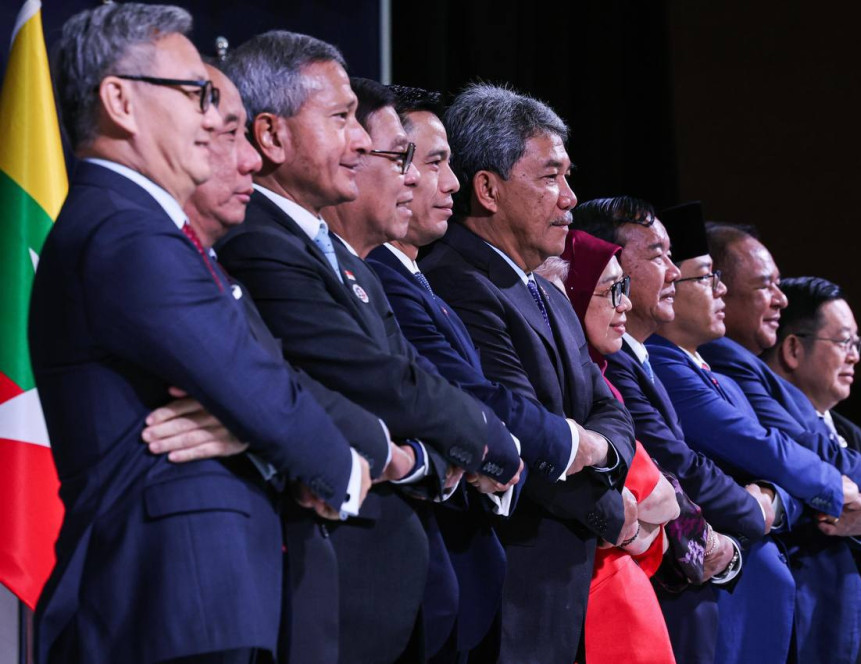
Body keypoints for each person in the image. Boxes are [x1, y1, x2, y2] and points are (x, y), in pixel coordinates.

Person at [30, 6, 361, 663]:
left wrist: (251, 430)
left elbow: (256, 384)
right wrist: (344, 469)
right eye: (195, 94)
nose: (210, 120)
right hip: (166, 603)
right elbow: (254, 386)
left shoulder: (141, 225)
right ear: (120, 101)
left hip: (192, 604)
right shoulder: (124, 231)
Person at [216, 33, 497, 664]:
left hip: (391, 586)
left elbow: (409, 377)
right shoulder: (257, 243)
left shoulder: (350, 264)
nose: (358, 143)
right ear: (272, 135)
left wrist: (422, 455)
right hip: (332, 580)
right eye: (341, 119)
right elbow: (366, 381)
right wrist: (474, 443)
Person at [420, 83, 636, 663]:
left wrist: (600, 451)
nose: (570, 198)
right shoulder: (456, 280)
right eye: (550, 177)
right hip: (505, 590)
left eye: (568, 177)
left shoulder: (547, 288)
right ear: (488, 189)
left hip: (559, 593)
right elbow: (517, 429)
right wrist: (612, 509)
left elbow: (609, 408)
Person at [321, 77, 521, 662]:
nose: (436, 181)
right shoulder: (375, 273)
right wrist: (476, 450)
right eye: (412, 159)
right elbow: (411, 389)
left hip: (435, 579)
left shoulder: (385, 275)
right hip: (372, 580)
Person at [644, 202, 861, 664]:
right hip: (721, 604)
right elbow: (758, 453)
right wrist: (806, 491)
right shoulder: (663, 365)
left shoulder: (719, 377)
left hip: (761, 607)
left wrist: (774, 500)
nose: (720, 289)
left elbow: (779, 471)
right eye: (707, 277)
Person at [573, 196, 772, 664]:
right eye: (657, 255)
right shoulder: (611, 365)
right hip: (642, 591)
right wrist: (736, 525)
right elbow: (671, 465)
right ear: (608, 264)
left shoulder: (636, 359)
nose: (672, 272)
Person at [699, 223, 861, 664]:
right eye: (765, 286)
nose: (780, 299)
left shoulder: (850, 432)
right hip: (780, 618)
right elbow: (790, 452)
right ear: (716, 287)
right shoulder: (727, 365)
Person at [762, 276, 861, 664]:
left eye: (857, 345)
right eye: (844, 342)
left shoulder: (852, 435)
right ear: (793, 348)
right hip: (800, 640)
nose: (855, 357)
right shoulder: (766, 427)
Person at [558, 229, 691, 664]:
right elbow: (655, 502)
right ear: (569, 295)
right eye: (611, 289)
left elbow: (662, 508)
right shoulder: (568, 390)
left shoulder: (601, 381)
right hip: (593, 601)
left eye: (625, 287)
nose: (626, 304)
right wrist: (632, 525)